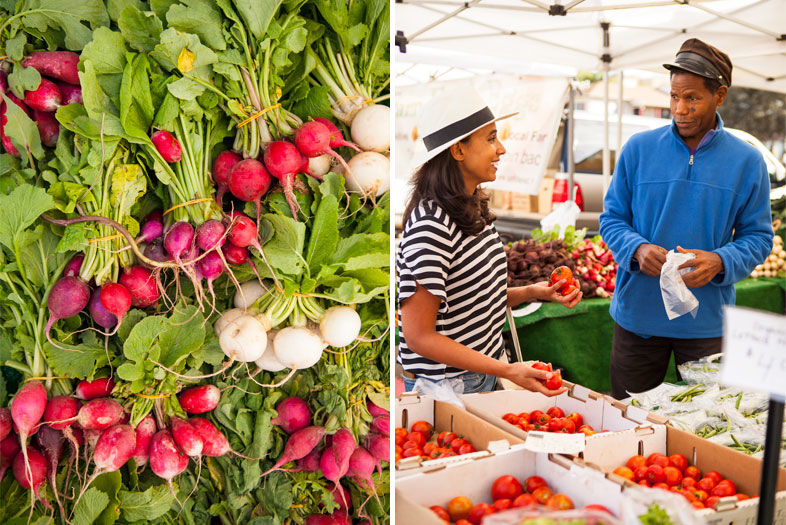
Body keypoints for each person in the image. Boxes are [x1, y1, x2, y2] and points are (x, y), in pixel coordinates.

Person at [600, 39, 773, 399]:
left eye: (692, 98)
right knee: (630, 427)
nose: (680, 108)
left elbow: (758, 237)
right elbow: (612, 218)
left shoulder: (747, 161)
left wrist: (721, 260)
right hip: (638, 321)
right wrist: (637, 249)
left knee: (707, 432)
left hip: (707, 325)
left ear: (720, 95)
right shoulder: (638, 149)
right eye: (674, 97)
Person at [397, 84, 582, 395]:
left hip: (479, 375)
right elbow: (418, 336)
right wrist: (507, 370)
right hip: (449, 387)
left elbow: (471, 299)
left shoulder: (470, 206)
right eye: (491, 138)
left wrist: (535, 292)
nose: (502, 149)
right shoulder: (431, 225)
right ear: (458, 150)